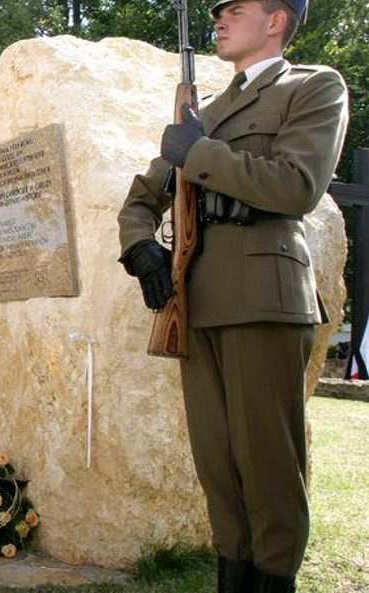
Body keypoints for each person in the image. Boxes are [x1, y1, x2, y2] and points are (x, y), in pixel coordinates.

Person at [116, 1, 348, 591]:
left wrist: (198, 152)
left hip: (266, 296)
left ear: (276, 20)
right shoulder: (208, 111)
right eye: (218, 12)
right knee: (217, 465)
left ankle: (274, 578)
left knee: (268, 464)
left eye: (235, 9)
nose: (219, 19)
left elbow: (297, 186)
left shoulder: (313, 87)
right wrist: (140, 246)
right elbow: (142, 197)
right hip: (197, 302)